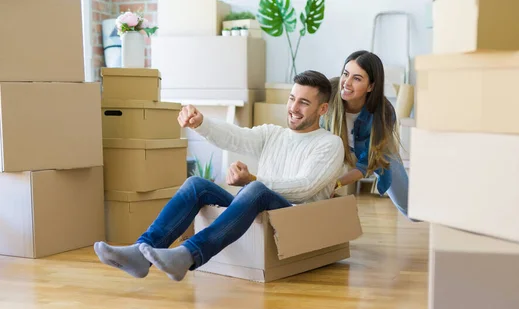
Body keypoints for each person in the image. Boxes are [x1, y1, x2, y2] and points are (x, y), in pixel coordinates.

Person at [94, 70, 344, 282]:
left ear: (322, 109)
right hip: (259, 211)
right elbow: (235, 136)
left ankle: (188, 255)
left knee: (255, 190)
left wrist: (253, 181)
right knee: (196, 185)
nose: (293, 108)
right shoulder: (273, 134)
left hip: (294, 220)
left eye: (304, 103)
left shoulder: (330, 144)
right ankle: (140, 253)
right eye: (292, 99)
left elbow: (306, 187)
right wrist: (200, 123)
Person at [322, 50, 413, 219]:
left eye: (356, 79)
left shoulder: (384, 113)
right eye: (345, 74)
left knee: (413, 211)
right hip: (337, 148)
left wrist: (338, 183)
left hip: (376, 154)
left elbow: (365, 164)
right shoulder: (329, 92)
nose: (346, 83)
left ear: (371, 86)